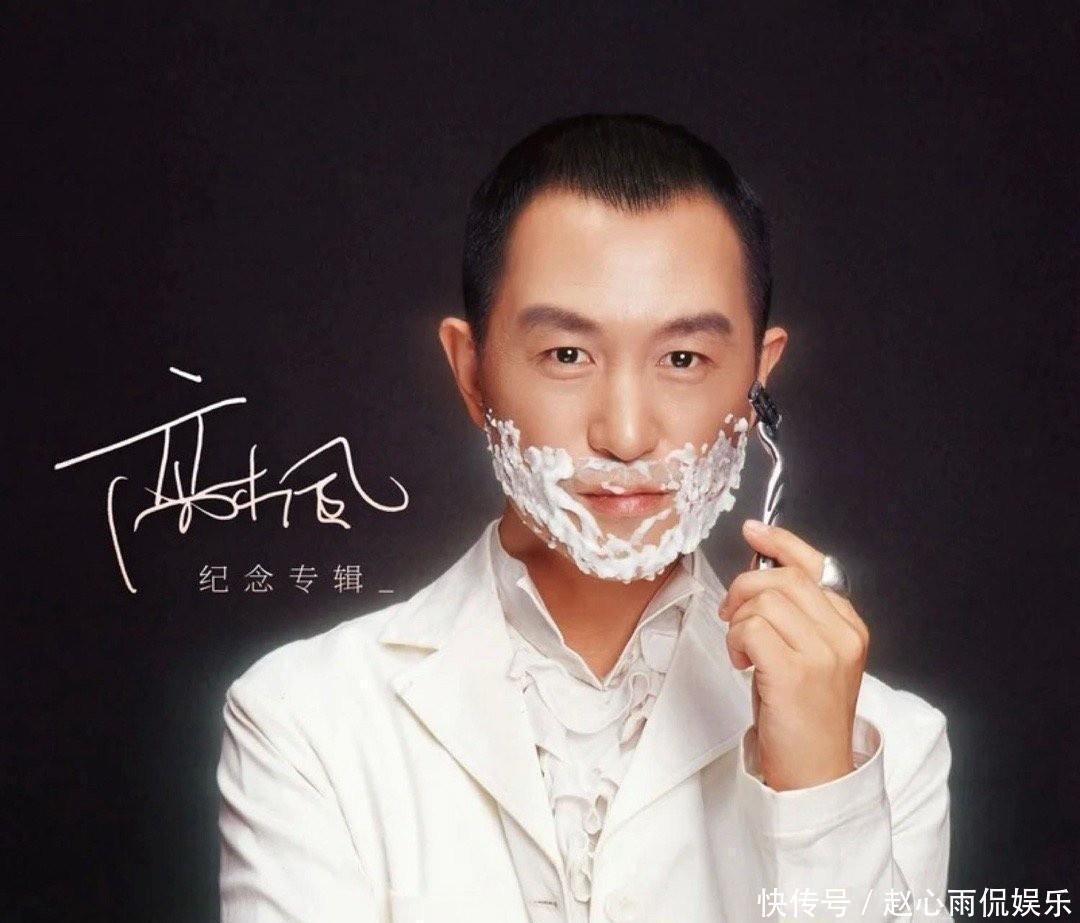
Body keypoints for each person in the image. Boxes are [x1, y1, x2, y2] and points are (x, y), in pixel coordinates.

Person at [217, 113, 952, 922]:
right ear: (473, 374)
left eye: (683, 358)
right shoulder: (305, 717)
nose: (626, 434)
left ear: (756, 383)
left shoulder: (888, 747)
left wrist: (821, 800)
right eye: (567, 355)